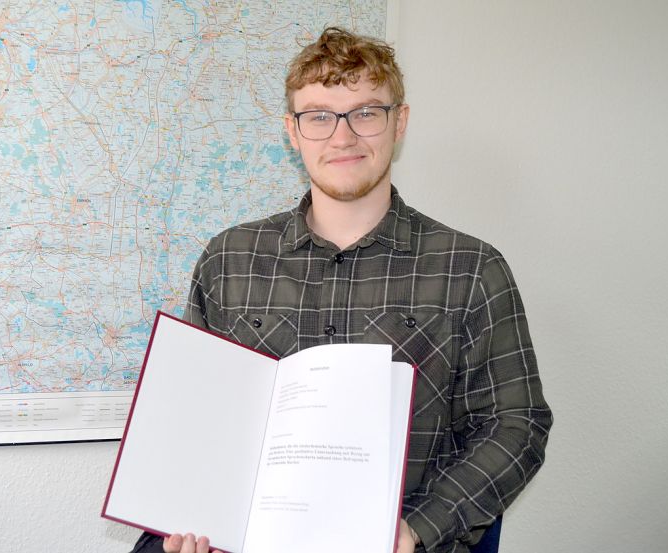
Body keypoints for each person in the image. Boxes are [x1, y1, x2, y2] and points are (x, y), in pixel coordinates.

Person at [130, 27, 552, 553]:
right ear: (292, 130)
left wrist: (416, 529)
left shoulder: (470, 268)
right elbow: (196, 420)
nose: (343, 136)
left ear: (400, 122)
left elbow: (516, 426)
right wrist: (189, 520)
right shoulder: (228, 260)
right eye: (319, 115)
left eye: (366, 112)